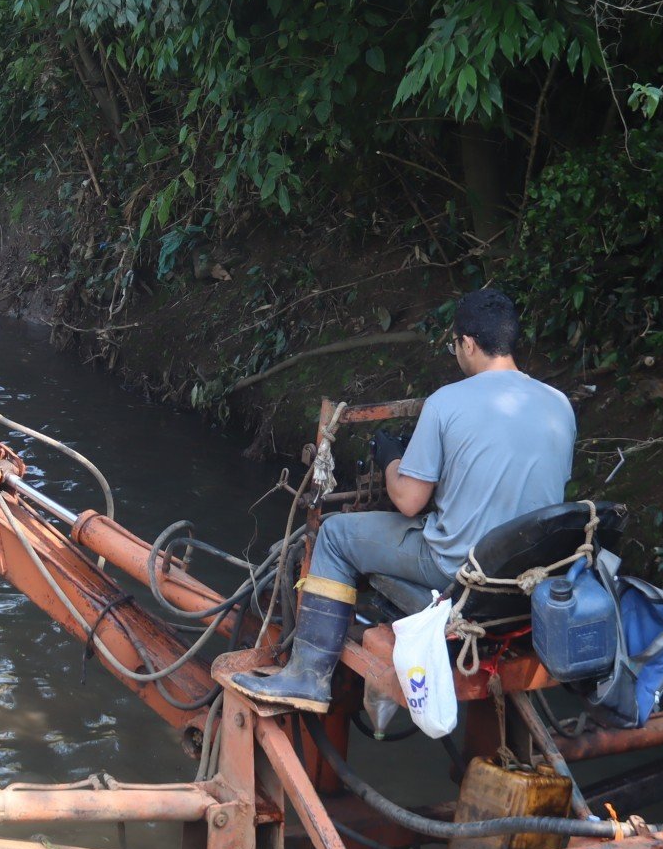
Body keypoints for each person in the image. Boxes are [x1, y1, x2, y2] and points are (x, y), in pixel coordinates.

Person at [230, 288, 576, 712]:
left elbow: (409, 502)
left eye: (455, 344)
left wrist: (392, 457)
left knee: (335, 536)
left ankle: (307, 677)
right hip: (531, 580)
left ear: (467, 343)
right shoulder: (559, 405)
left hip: (459, 570)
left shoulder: (446, 402)